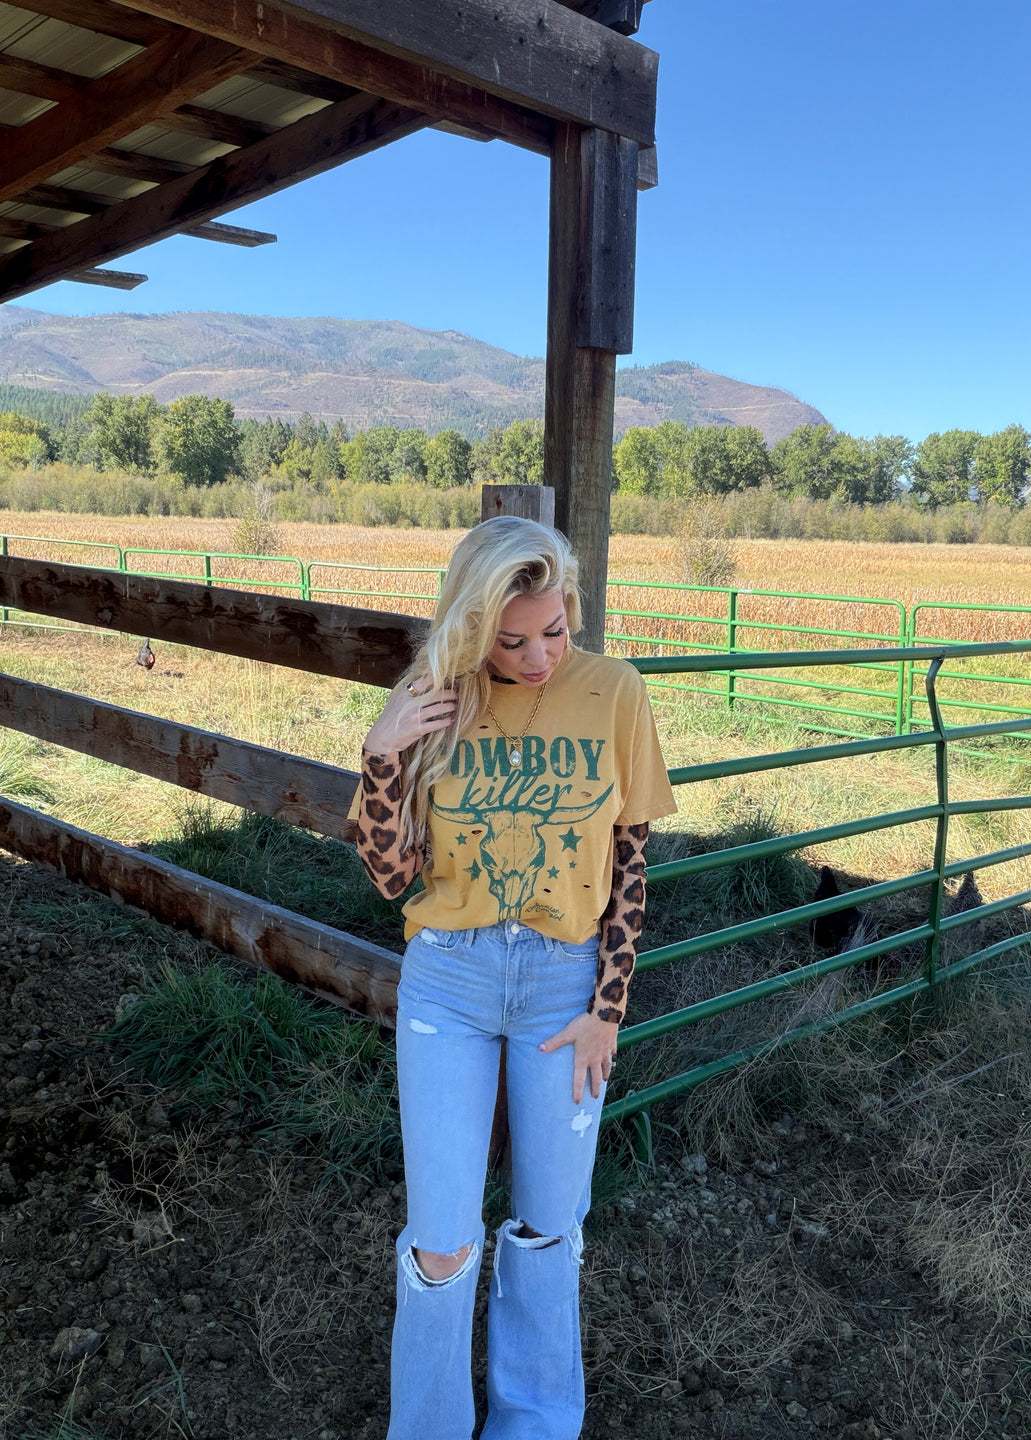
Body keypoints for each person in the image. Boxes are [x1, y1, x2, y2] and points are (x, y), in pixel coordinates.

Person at [349, 515, 676, 1440]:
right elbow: (391, 877)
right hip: (447, 984)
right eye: (511, 641)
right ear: (472, 626)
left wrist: (608, 1010)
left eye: (554, 631)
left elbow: (631, 864)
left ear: (572, 609)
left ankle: (534, 1423)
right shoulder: (435, 699)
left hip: (564, 985)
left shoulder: (614, 691)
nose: (538, 658)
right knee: (441, 1241)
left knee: (548, 1226)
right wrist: (381, 754)